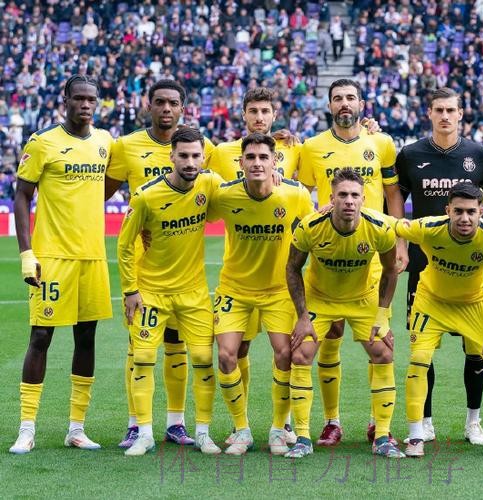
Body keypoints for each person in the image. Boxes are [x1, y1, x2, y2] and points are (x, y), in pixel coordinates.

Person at [395, 87, 483, 445]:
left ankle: (473, 422)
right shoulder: (410, 154)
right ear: (429, 113)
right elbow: (394, 198)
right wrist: (400, 244)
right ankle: (425, 421)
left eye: (451, 110)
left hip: (469, 272)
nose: (445, 116)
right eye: (439, 110)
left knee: (475, 351)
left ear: (461, 114)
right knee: (422, 351)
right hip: (424, 268)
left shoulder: (479, 154)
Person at [105, 79, 215, 449]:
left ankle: (176, 423)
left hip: (185, 275)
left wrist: (278, 145)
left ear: (183, 108)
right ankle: (136, 425)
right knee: (139, 351)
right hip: (145, 270)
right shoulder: (126, 146)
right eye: (160, 102)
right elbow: (100, 192)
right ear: (148, 105)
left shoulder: (198, 147)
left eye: (173, 103)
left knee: (179, 346)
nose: (166, 109)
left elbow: (241, 162)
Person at [298, 78, 407, 446]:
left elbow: (393, 192)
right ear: (329, 105)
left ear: (361, 103)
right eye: (337, 98)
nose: (344, 103)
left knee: (379, 341)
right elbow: (303, 193)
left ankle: (379, 423)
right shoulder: (312, 147)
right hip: (329, 257)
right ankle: (332, 421)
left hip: (373, 255)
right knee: (330, 337)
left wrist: (400, 240)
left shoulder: (381, 142)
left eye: (350, 98)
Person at [10, 75, 114, 454]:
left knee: (86, 338)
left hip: (93, 256)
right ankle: (27, 428)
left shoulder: (105, 142)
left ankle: (76, 428)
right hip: (52, 256)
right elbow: (22, 196)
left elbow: (116, 180)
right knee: (41, 337)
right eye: (79, 98)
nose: (86, 105)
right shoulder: (42, 142)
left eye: (92, 99)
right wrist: (27, 254)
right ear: (65, 100)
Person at [285, 168, 404, 459]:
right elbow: (292, 268)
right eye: (342, 195)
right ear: (331, 198)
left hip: (362, 298)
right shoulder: (311, 227)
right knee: (300, 354)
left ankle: (382, 436)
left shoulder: (379, 227)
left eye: (354, 195)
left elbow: (391, 270)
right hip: (320, 299)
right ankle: (302, 437)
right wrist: (302, 316)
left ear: (363, 199)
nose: (349, 201)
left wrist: (382, 316)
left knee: (383, 353)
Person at [207, 87, 302, 446]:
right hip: (236, 285)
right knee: (233, 353)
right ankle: (241, 427)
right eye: (253, 110)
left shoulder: (293, 158)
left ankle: (281, 425)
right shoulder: (222, 161)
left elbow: (310, 223)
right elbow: (194, 186)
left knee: (286, 353)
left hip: (278, 286)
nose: (259, 116)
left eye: (265, 110)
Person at [395, 182, 483, 458]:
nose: (464, 218)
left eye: (471, 211)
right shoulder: (428, 228)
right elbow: (393, 225)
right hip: (432, 301)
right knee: (419, 359)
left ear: (481, 212)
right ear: (447, 210)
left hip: (474, 302)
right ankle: (416, 435)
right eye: (458, 211)